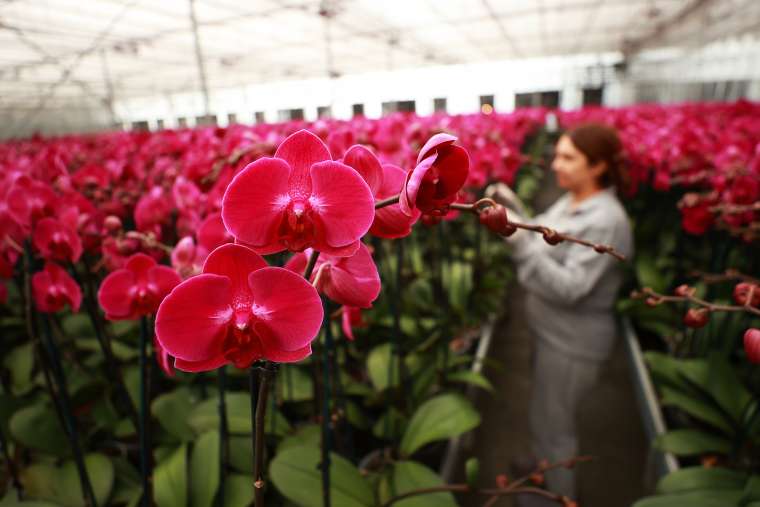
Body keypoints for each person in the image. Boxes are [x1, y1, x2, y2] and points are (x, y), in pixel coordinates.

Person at [486, 123, 634, 506]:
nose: (555, 164)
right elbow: (545, 236)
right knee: (543, 412)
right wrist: (513, 207)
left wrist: (516, 242)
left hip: (573, 344)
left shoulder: (607, 221)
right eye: (557, 155)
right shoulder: (572, 200)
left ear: (599, 166)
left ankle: (557, 495)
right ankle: (541, 466)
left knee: (556, 425)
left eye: (568, 157)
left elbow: (569, 287)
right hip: (551, 333)